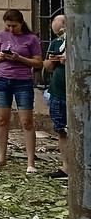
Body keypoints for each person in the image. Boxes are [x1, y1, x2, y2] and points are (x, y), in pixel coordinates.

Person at [0, 8, 43, 174]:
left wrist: (20, 58)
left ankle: (31, 161)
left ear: (21, 23)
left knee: (26, 121)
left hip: (23, 82)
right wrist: (2, 57)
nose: (11, 29)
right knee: (2, 120)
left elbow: (38, 63)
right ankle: (1, 157)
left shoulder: (31, 39)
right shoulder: (0, 36)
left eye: (14, 26)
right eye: (8, 26)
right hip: (3, 81)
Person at [43, 13, 68, 177]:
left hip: (77, 94)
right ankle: (67, 167)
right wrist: (52, 61)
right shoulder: (56, 42)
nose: (60, 34)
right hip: (57, 92)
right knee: (61, 130)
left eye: (61, 31)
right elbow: (47, 67)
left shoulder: (81, 40)